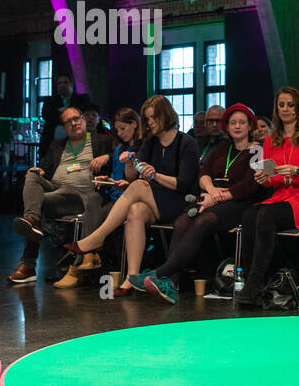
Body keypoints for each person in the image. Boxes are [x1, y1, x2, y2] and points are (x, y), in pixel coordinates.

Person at [63, 95, 198, 295]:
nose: (150, 123)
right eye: (148, 119)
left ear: (166, 116)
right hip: (154, 200)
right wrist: (129, 162)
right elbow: (132, 175)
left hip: (180, 202)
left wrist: (156, 175)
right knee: (135, 211)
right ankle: (131, 278)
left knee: (139, 186)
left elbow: (184, 184)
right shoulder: (151, 142)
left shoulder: (186, 142)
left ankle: (98, 236)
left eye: (153, 118)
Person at [139, 103, 263, 303]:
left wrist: (218, 196)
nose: (237, 126)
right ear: (227, 127)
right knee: (182, 222)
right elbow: (204, 172)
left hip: (240, 202)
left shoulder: (257, 150)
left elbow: (250, 185)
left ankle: (160, 273)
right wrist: (212, 191)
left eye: (242, 122)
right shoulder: (223, 147)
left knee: (202, 222)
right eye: (233, 123)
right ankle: (171, 283)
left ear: (250, 126)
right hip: (213, 197)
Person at [233, 86, 299, 305]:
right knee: (250, 214)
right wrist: (263, 179)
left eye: (290, 105)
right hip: (282, 197)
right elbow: (271, 177)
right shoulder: (271, 140)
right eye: (281, 105)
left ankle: (255, 283)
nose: (285, 109)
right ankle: (254, 280)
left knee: (266, 214)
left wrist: (298, 171)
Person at [8, 105, 111, 286]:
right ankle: (31, 219)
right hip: (55, 190)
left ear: (84, 119)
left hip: (81, 195)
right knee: (32, 176)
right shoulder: (57, 145)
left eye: (76, 119)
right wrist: (38, 170)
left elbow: (120, 155)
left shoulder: (101, 141)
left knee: (44, 200)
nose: (73, 123)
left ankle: (27, 263)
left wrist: (107, 157)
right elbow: (45, 169)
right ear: (63, 127)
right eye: (68, 122)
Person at [38, 74, 94, 156]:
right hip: (53, 142)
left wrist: (60, 113)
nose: (62, 85)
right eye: (59, 83)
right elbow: (47, 116)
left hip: (77, 141)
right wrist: (69, 115)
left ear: (71, 84)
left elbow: (83, 115)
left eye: (65, 82)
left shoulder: (82, 99)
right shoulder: (50, 101)